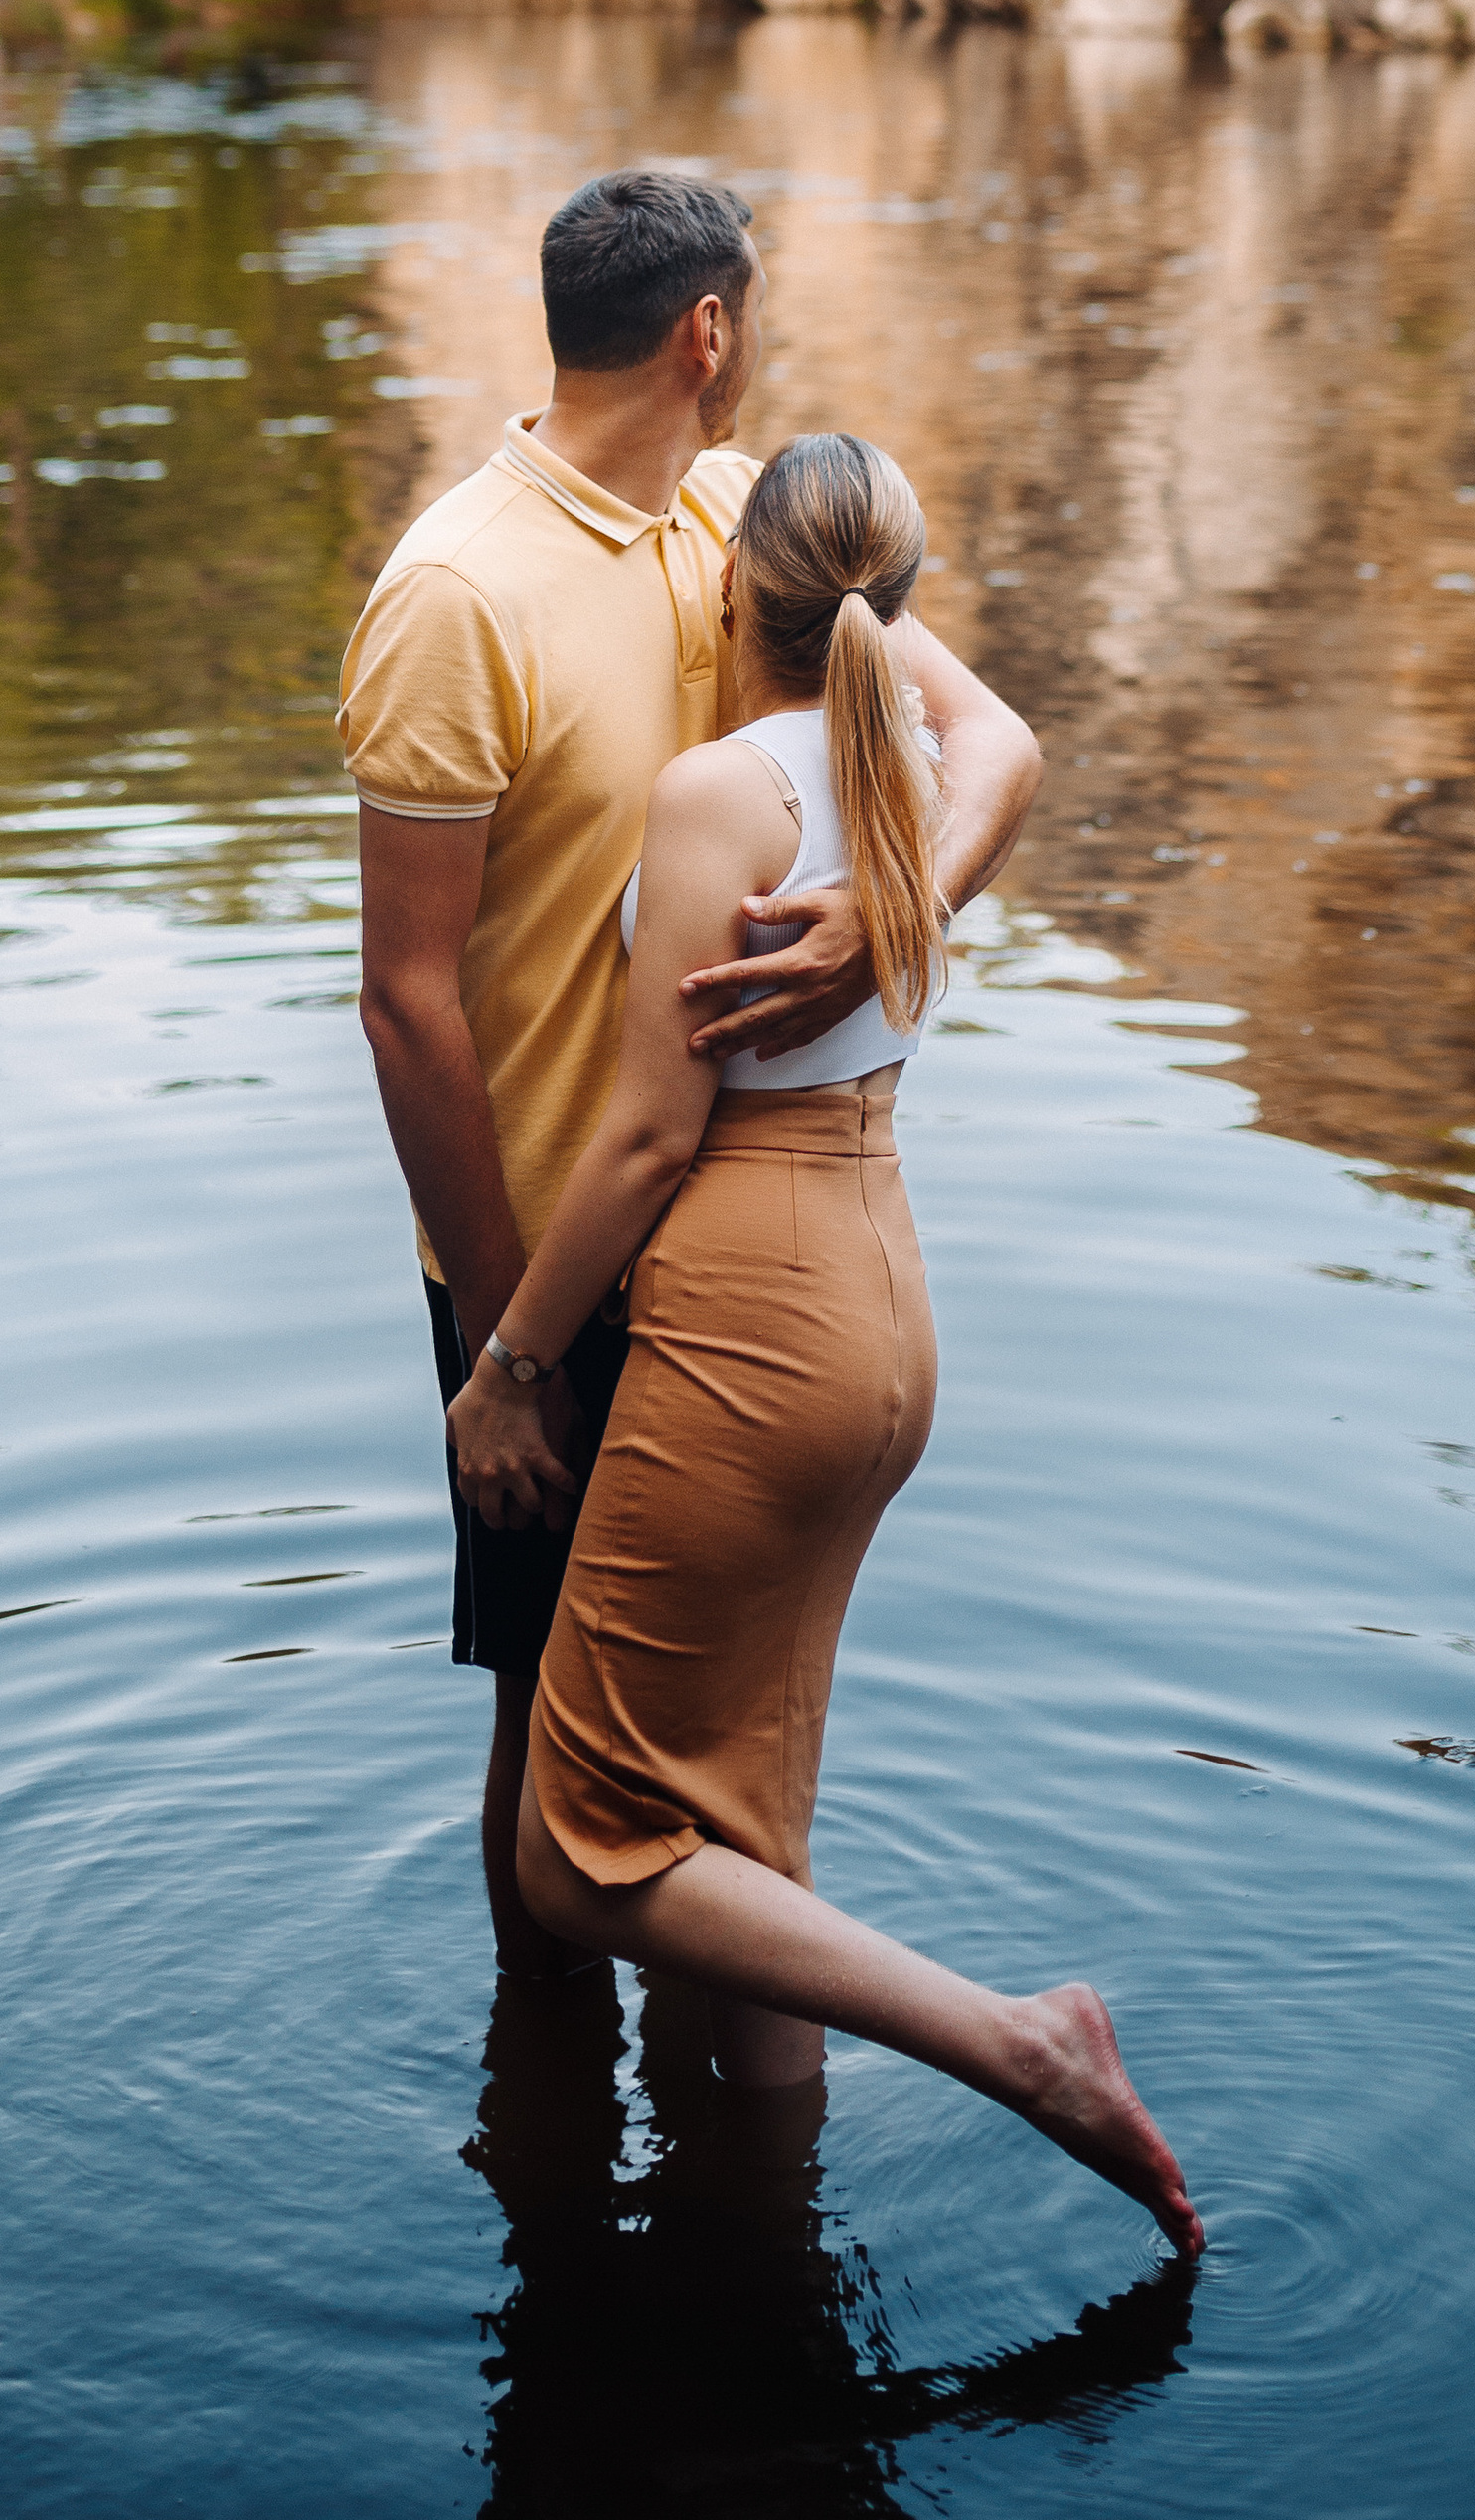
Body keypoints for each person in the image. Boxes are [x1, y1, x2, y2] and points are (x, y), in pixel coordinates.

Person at [446, 433, 1203, 2254]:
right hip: (879, 1291)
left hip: (752, 1309)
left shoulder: (719, 792)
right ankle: (764, 2210)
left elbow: (641, 1136)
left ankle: (1020, 2047)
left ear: (730, 594)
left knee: (583, 1844)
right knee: (742, 1811)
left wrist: (512, 1362)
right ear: (901, 606)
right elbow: (1005, 742)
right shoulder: (911, 762)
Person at [343, 171, 1042, 1975]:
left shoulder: (744, 517)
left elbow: (995, 749)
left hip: (730, 1257)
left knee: (716, 1752)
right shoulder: (453, 595)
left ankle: (712, 2195)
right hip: (551, 1262)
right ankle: (562, 2156)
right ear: (706, 333)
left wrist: (898, 913)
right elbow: (409, 1003)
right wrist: (518, 1342)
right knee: (549, 1744)